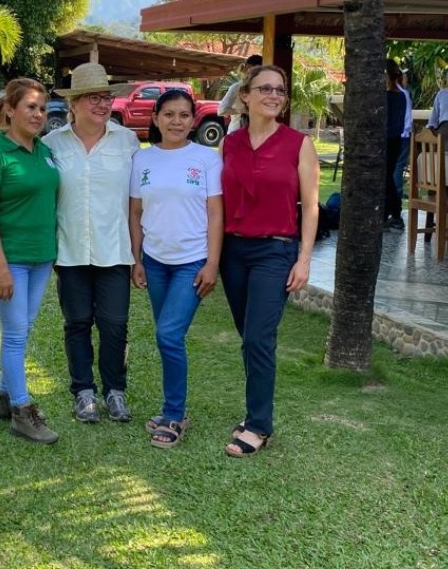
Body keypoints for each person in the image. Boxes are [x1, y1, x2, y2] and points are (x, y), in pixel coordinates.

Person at [219, 65, 320, 458]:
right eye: (265, 89)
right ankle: (252, 413)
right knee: (249, 338)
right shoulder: (230, 144)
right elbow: (217, 205)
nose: (274, 95)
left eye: (280, 90)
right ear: (245, 95)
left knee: (260, 338)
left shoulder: (299, 144)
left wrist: (304, 259)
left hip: (275, 251)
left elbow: (311, 207)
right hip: (233, 253)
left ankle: (259, 425)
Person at [43, 62, 139, 424]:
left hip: (114, 249)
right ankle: (83, 392)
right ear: (74, 103)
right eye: (93, 98)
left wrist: (139, 254)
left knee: (115, 324)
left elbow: (136, 202)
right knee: (77, 322)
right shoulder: (52, 144)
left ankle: (115, 391)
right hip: (69, 250)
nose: (102, 104)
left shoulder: (127, 142)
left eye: (106, 97)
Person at [129, 89, 223, 449]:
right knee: (167, 336)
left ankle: (174, 413)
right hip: (154, 261)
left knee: (168, 335)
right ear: (155, 118)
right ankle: (173, 408)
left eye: (184, 115)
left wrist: (212, 263)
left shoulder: (206, 159)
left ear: (193, 120)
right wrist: (137, 259)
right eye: (169, 114)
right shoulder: (143, 160)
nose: (176, 122)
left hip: (192, 262)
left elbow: (216, 213)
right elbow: (135, 212)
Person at [0, 78, 61, 444]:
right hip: (10, 260)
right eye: (30, 107)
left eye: (42, 108)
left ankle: (5, 397)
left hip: (42, 257)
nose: (39, 115)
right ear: (9, 109)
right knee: (14, 334)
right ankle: (22, 413)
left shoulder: (44, 151)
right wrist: (2, 267)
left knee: (22, 329)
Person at [385, 62, 409, 230]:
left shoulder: (396, 96)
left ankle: (395, 212)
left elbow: (394, 122)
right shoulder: (396, 95)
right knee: (386, 177)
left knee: (387, 176)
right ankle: (389, 211)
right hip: (391, 139)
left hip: (391, 140)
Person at [219, 54, 264, 134]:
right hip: (236, 134)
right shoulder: (236, 87)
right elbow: (221, 110)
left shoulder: (261, 88)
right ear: (248, 68)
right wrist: (243, 111)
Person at [391, 61, 413, 200]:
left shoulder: (397, 93)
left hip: (397, 134)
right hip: (402, 135)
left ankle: (394, 192)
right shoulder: (402, 93)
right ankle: (397, 192)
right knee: (399, 165)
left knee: (395, 165)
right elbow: (407, 117)